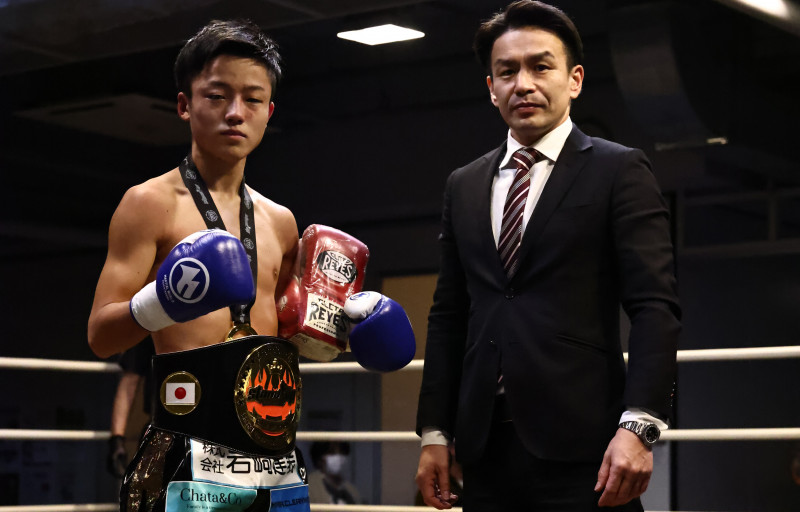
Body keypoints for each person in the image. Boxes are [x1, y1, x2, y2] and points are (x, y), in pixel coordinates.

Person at [414, 2, 680, 511]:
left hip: (587, 445)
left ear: (574, 79)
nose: (523, 84)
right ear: (491, 87)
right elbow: (449, 314)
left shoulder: (618, 170)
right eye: (507, 71)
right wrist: (434, 431)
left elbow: (655, 306)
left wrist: (640, 425)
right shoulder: (463, 184)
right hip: (483, 447)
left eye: (540, 66)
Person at [88, 19, 308, 511]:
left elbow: (290, 337)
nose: (235, 113)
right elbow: (101, 335)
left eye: (252, 99)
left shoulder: (281, 222)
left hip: (272, 456)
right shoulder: (149, 204)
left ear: (269, 112)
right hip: (186, 451)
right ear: (185, 105)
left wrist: (338, 326)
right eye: (217, 96)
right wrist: (164, 301)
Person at [107, 337, 155, 479]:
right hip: (159, 427)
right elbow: (129, 382)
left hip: (202, 425)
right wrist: (116, 440)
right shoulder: (151, 328)